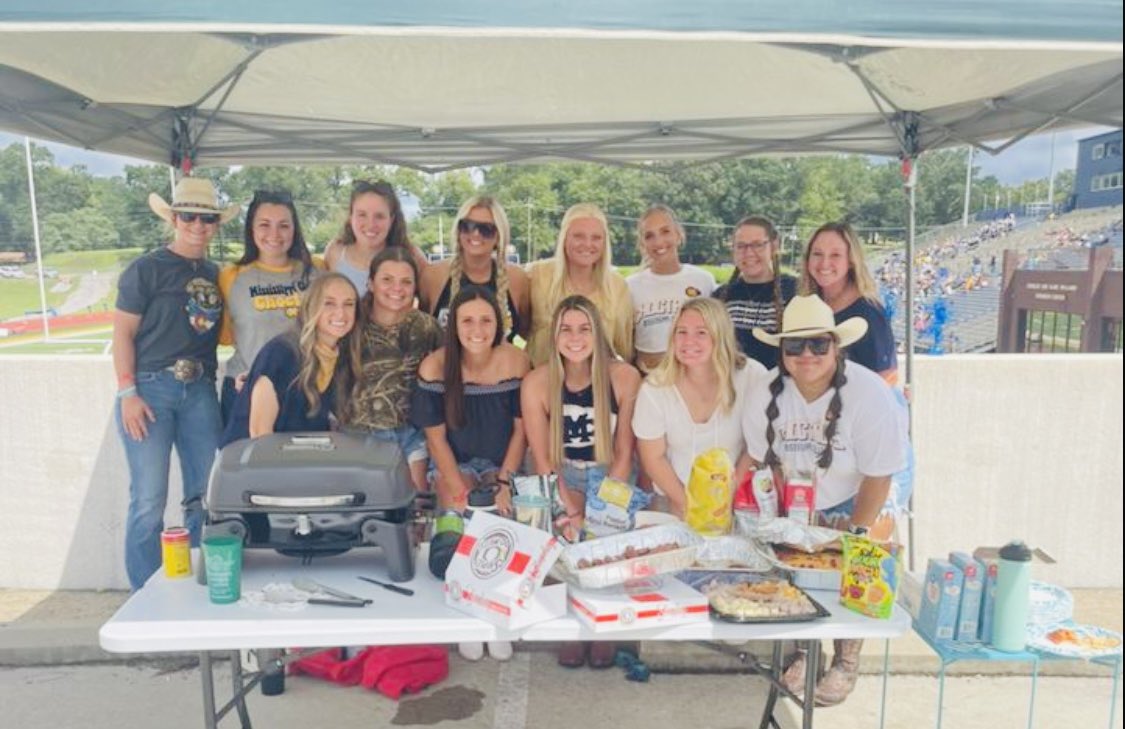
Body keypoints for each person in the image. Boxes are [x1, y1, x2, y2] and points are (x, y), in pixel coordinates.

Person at [742, 294, 909, 707]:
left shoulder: (868, 393)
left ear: (837, 346)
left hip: (858, 496)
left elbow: (879, 473)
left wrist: (853, 534)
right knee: (796, 575)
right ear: (782, 352)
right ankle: (804, 650)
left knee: (854, 576)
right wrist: (786, 516)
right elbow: (764, 458)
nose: (807, 355)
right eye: (795, 346)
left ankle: (845, 660)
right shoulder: (765, 391)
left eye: (819, 344)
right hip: (798, 500)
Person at [113, 177, 236, 591]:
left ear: (216, 225)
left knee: (205, 495)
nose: (197, 225)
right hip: (151, 389)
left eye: (206, 218)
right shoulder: (145, 269)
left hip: (200, 388)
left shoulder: (217, 274)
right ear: (173, 219)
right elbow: (122, 335)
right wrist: (128, 392)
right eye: (188, 216)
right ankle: (144, 596)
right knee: (148, 501)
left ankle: (198, 585)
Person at [521, 295, 641, 669]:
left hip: (611, 473)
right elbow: (542, 458)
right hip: (562, 472)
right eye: (566, 330)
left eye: (584, 328)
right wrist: (569, 505)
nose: (575, 337)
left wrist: (598, 510)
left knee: (606, 550)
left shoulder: (623, 377)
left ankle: (601, 629)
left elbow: (624, 454)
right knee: (562, 547)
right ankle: (569, 627)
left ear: (598, 333)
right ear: (554, 336)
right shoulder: (538, 382)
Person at [411, 285, 529, 663]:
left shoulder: (516, 362)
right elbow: (435, 438)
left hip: (502, 461)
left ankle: (495, 617)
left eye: (486, 320)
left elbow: (522, 429)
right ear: (453, 324)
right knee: (457, 526)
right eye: (467, 320)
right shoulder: (434, 366)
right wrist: (456, 484)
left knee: (499, 526)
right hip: (454, 461)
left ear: (499, 325)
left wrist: (506, 479)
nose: (477, 329)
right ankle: (466, 613)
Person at [632, 298, 767, 518]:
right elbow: (653, 458)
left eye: (701, 333)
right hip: (675, 503)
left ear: (720, 335)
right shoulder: (655, 387)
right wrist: (690, 505)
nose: (688, 341)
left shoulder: (752, 376)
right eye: (681, 332)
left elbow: (755, 449)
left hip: (737, 502)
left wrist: (726, 500)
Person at [217, 189, 321, 424]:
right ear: (251, 229)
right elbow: (225, 336)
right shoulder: (230, 276)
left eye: (284, 225)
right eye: (264, 224)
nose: (274, 234)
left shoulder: (318, 270)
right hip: (246, 390)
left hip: (303, 391)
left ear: (294, 229)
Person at [221, 273, 362, 446]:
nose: (340, 313)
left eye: (349, 304)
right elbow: (259, 433)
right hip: (252, 461)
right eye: (329, 303)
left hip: (299, 459)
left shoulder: (343, 356)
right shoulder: (280, 353)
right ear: (311, 306)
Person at [349, 248, 443, 492]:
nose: (397, 289)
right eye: (387, 280)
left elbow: (448, 373)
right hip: (362, 436)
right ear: (371, 283)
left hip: (412, 435)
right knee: (373, 506)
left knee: (416, 507)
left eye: (406, 282)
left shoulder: (426, 327)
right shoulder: (351, 324)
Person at [526, 203, 633, 367]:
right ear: (564, 238)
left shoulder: (617, 287)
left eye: (596, 238)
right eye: (579, 236)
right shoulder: (538, 276)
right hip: (542, 385)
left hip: (596, 387)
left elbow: (624, 349)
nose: (588, 244)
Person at [419, 196, 529, 341]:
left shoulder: (516, 279)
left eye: (486, 229)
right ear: (458, 231)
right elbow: (421, 332)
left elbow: (528, 332)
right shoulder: (434, 276)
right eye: (467, 226)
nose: (475, 233)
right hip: (444, 363)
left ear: (498, 236)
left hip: (500, 363)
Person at [799, 222, 897, 382]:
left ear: (851, 261)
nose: (824, 263)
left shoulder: (869, 312)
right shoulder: (807, 307)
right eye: (817, 254)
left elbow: (887, 376)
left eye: (835, 255)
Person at [626, 204, 716, 373]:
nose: (658, 241)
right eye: (649, 236)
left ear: (678, 234)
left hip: (695, 379)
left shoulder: (704, 280)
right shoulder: (630, 286)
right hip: (648, 380)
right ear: (642, 243)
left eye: (665, 231)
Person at [713, 215, 798, 370]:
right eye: (741, 246)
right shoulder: (720, 297)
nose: (749, 253)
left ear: (774, 246)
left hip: (778, 387)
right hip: (732, 388)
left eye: (758, 245)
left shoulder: (794, 291)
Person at [324, 180, 426, 293]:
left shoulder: (413, 256)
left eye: (379, 216)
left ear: (391, 219)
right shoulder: (335, 252)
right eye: (362, 215)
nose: (371, 224)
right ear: (351, 216)